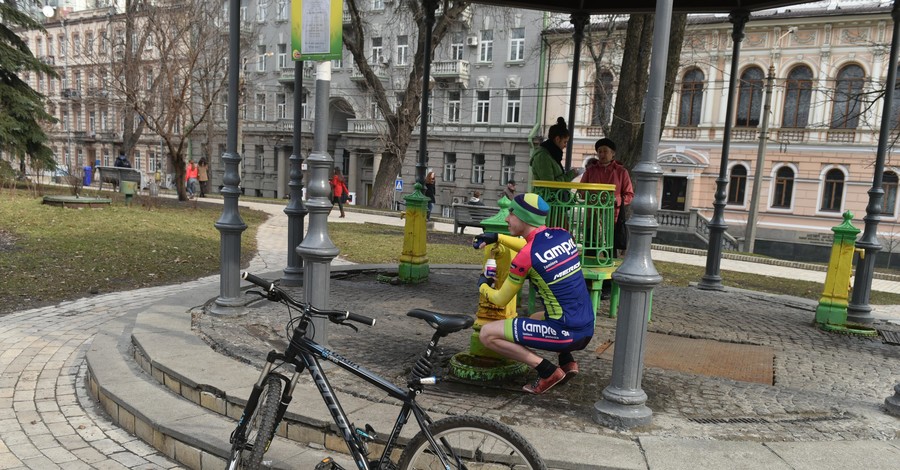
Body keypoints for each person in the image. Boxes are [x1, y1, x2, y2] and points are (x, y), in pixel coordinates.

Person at [473, 193, 594, 395]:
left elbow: (501, 299)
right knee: (535, 318)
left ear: (523, 217)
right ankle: (567, 362)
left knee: (487, 334)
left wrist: (483, 285)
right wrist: (497, 237)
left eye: (511, 212)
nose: (506, 218)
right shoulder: (562, 235)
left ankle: (548, 372)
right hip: (586, 327)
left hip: (565, 333)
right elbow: (534, 248)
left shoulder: (525, 257)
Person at [580, 138, 634, 256]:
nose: (602, 154)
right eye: (599, 151)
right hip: (592, 217)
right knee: (590, 251)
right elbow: (581, 191)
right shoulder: (590, 171)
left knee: (610, 253)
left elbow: (629, 195)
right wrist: (591, 197)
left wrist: (616, 200)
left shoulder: (621, 172)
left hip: (612, 219)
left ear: (613, 153)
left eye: (605, 151)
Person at [530, 117, 582, 183]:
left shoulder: (552, 155)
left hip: (553, 193)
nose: (565, 145)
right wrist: (570, 175)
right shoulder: (543, 156)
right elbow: (550, 184)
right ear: (557, 139)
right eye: (565, 142)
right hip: (546, 193)